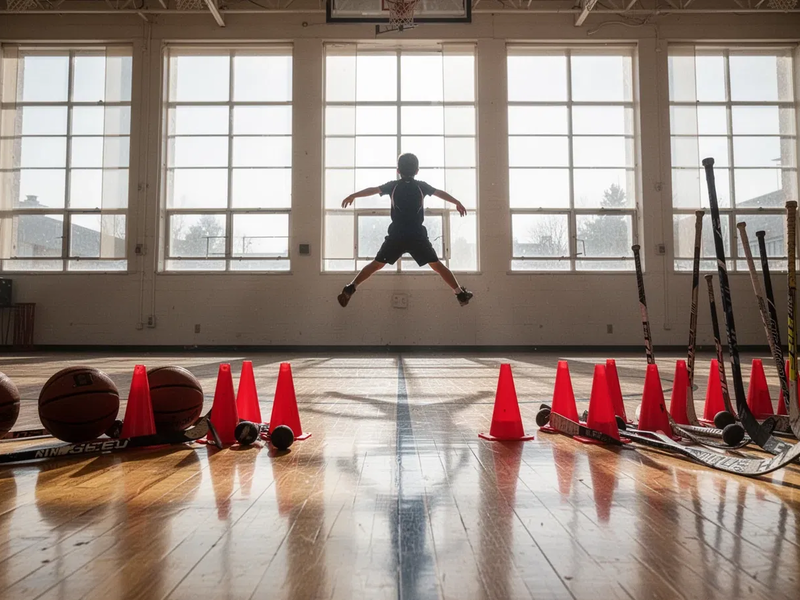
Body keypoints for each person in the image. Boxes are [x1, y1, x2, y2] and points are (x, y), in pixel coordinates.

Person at [337, 153, 474, 308]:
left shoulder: (393, 185)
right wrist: (456, 202)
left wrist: (353, 195)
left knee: (376, 264)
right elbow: (439, 193)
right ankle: (460, 294)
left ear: (398, 170)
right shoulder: (421, 186)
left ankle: (351, 287)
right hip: (416, 235)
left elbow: (372, 190)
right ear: (417, 171)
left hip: (397, 235)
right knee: (437, 266)